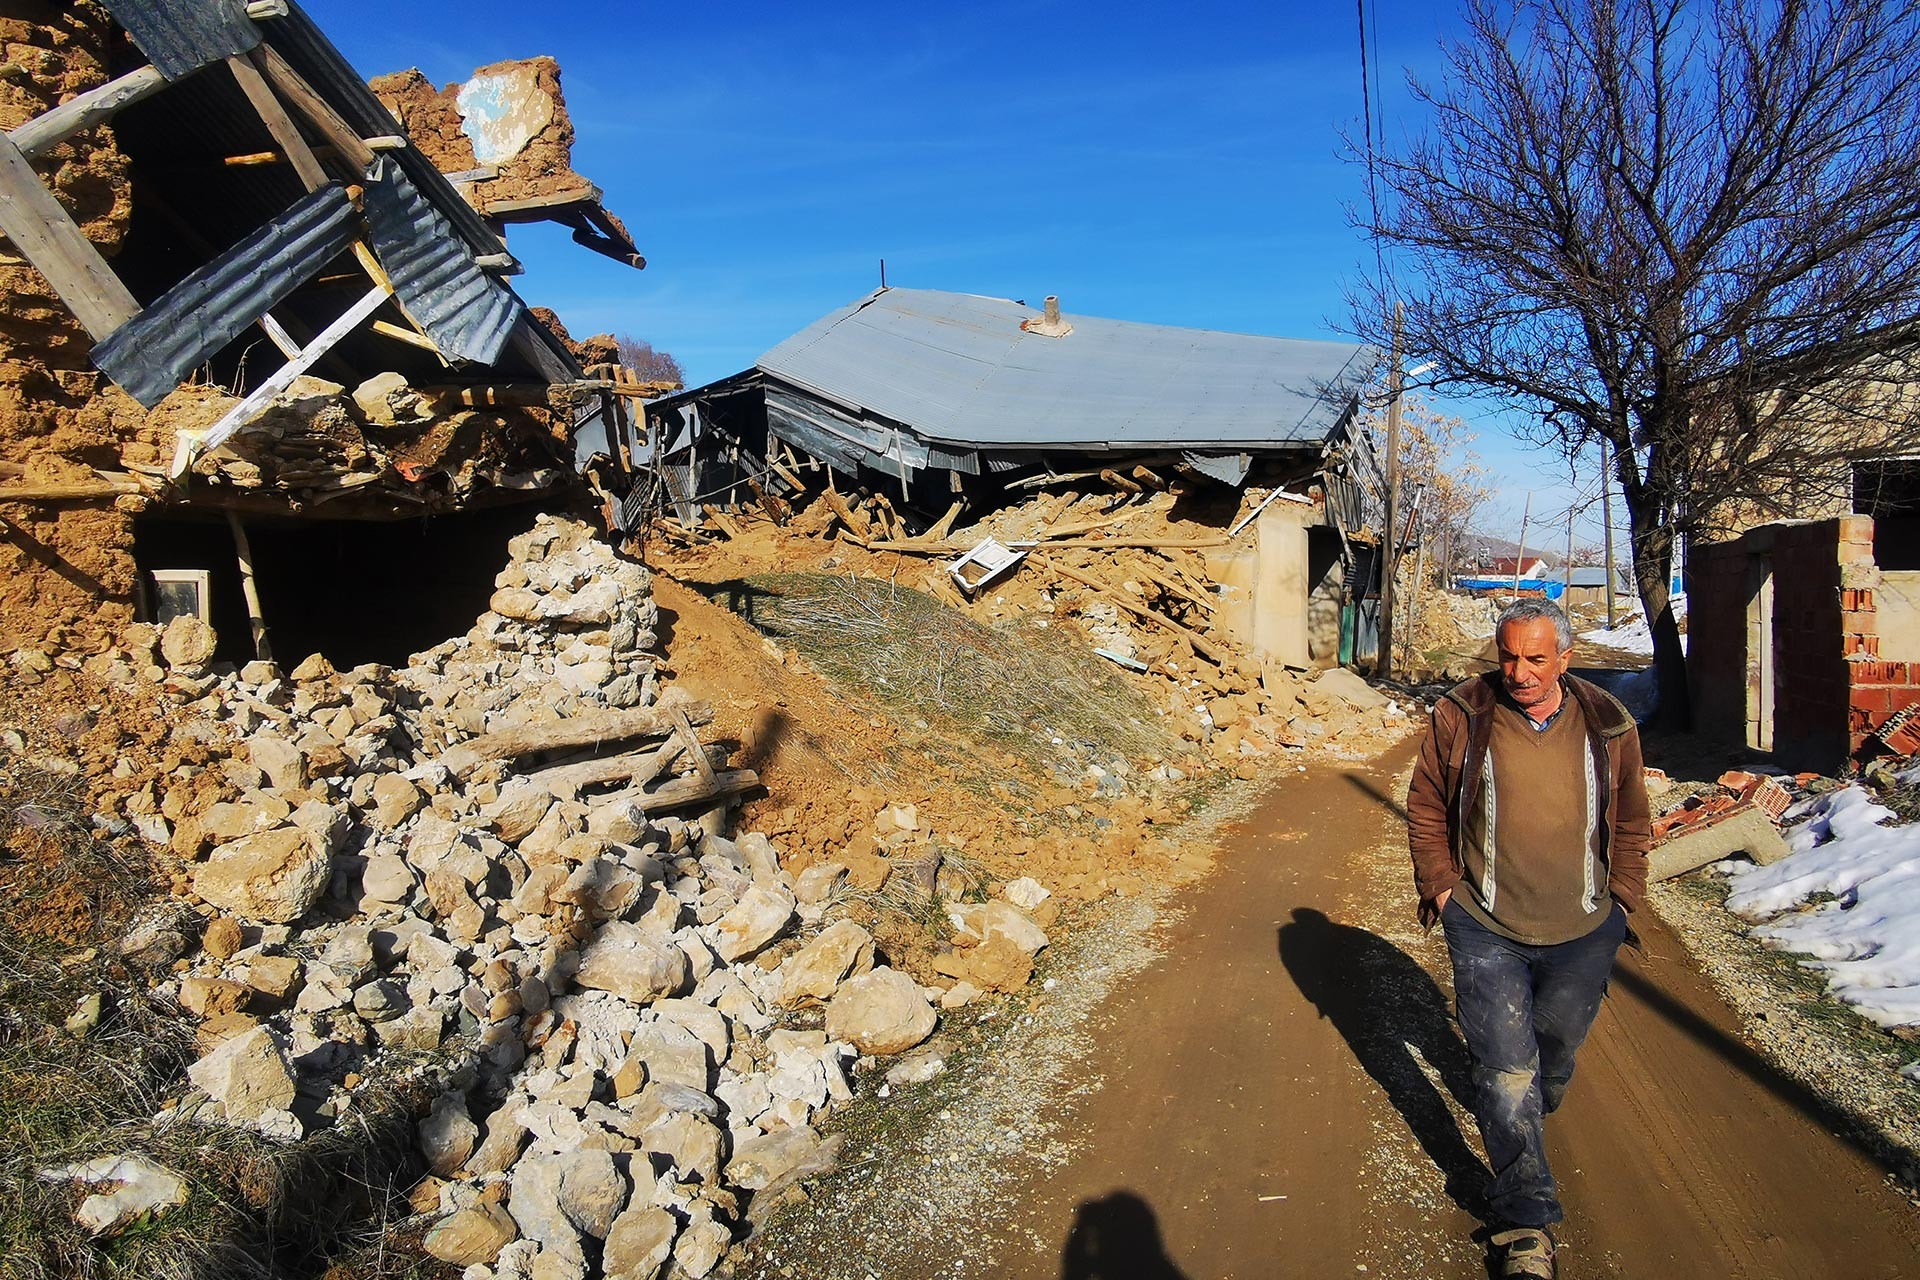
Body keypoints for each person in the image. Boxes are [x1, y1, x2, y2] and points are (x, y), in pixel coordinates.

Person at [1405, 597, 1650, 1279]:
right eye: (1508, 656)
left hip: (1583, 927)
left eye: (1535, 658)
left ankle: (1526, 1110)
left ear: (1564, 659)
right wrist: (1442, 887)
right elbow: (1427, 801)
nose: (1518, 672)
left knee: (1551, 1056)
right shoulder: (1464, 712)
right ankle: (1526, 1223)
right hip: (1486, 926)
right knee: (1507, 1074)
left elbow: (1632, 816)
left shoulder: (1607, 721)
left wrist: (1623, 900)